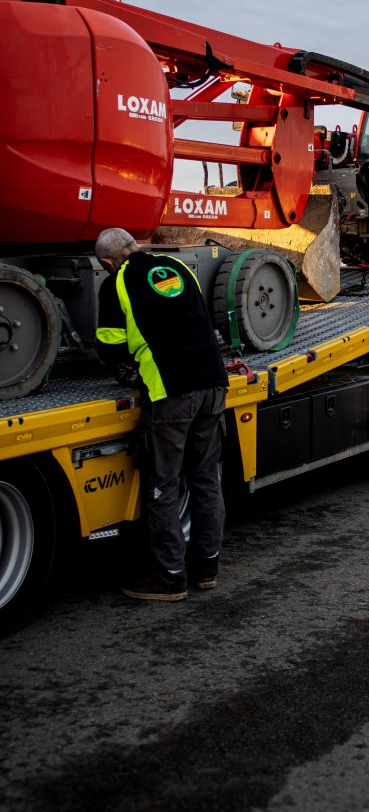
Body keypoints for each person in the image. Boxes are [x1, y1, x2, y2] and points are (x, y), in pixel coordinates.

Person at [95, 227, 228, 602]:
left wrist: (122, 368)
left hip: (171, 392)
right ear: (135, 245)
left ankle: (169, 578)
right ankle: (206, 569)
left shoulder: (116, 281)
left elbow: (111, 342)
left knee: (162, 486)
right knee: (205, 480)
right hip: (214, 383)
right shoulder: (175, 266)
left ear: (107, 262)